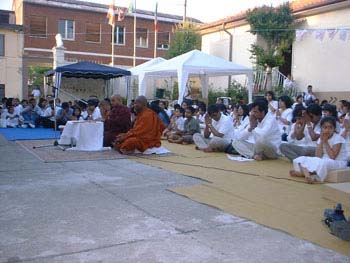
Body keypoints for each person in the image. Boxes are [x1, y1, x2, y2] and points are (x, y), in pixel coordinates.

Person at [290, 116, 348, 183]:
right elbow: (318, 156)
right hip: (323, 159)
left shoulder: (338, 138)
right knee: (301, 159)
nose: (328, 130)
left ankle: (314, 178)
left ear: (334, 128)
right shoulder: (321, 137)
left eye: (330, 127)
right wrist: (321, 141)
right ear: (321, 128)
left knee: (323, 163)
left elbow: (333, 157)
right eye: (325, 127)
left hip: (338, 161)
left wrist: (325, 142)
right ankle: (306, 174)